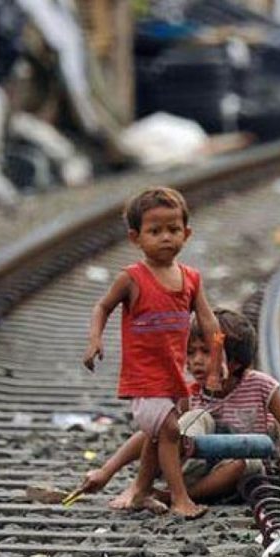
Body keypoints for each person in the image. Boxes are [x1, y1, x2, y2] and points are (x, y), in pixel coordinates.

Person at [80, 309, 280, 504]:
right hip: (192, 466)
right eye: (191, 352)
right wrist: (106, 471)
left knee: (244, 462)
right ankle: (163, 481)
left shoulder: (260, 385)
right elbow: (150, 433)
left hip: (235, 474)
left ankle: (178, 496)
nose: (195, 360)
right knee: (183, 419)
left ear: (235, 363)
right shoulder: (190, 392)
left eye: (206, 352)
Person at [82, 186, 222, 519]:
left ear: (186, 233)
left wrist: (218, 360)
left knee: (156, 436)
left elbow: (207, 319)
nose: (165, 238)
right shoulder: (131, 279)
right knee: (171, 431)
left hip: (174, 376)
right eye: (154, 231)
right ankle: (179, 498)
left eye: (173, 230)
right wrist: (95, 340)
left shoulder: (190, 278)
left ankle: (141, 492)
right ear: (135, 237)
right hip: (143, 378)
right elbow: (102, 307)